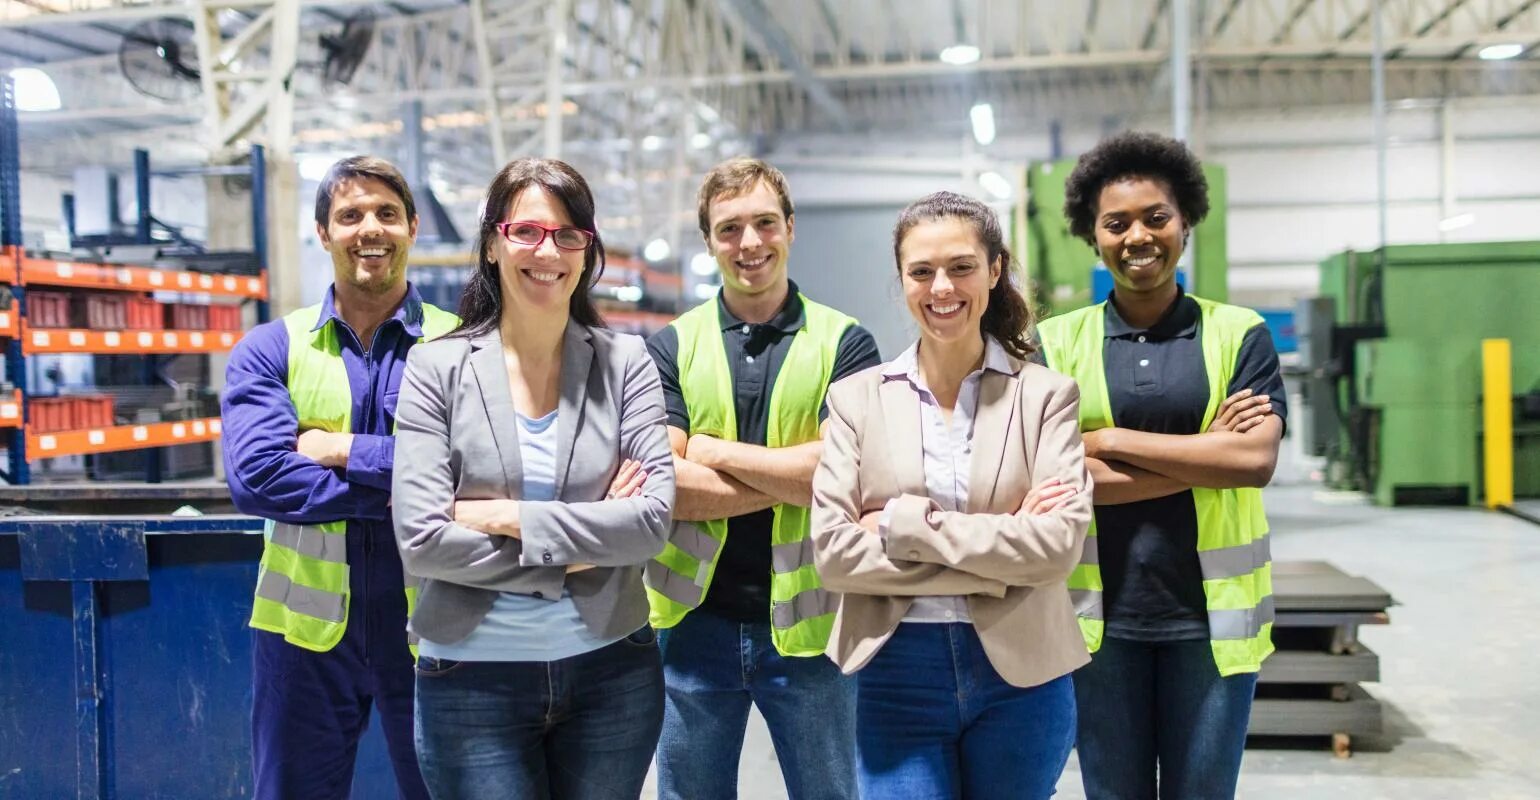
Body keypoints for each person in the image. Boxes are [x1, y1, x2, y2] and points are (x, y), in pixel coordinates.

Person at [390, 157, 675, 799]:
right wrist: (578, 551)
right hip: (471, 681)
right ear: (492, 243)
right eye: (526, 232)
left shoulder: (625, 363)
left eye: (567, 235)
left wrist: (505, 518)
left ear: (585, 252)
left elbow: (650, 523)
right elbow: (422, 538)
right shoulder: (437, 369)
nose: (547, 251)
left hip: (611, 673)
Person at [809, 191, 1093, 800]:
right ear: (902, 279)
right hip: (896, 668)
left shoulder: (1047, 397)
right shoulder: (856, 400)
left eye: (962, 266)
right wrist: (999, 558)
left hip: (1023, 674)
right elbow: (833, 553)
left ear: (994, 270)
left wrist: (904, 525)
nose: (942, 287)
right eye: (922, 271)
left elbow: (1057, 548)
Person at [1036, 130, 1286, 800]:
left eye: (1156, 217)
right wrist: (1208, 453)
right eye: (1116, 224)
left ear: (1186, 224)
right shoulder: (1056, 344)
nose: (1138, 236)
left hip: (1212, 623)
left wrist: (1109, 440)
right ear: (1094, 237)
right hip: (1096, 620)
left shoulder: (1240, 333)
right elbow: (1053, 480)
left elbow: (1255, 460)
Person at [644, 157, 881, 800]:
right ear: (710, 240)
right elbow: (666, 488)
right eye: (729, 229)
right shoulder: (671, 345)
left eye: (764, 223)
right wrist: (796, 473)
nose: (749, 243)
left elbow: (842, 476)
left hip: (811, 634)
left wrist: (711, 449)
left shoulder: (847, 343)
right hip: (690, 629)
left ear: (790, 228)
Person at [222, 155, 458, 800]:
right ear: (323, 233)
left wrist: (340, 449)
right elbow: (259, 479)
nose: (369, 229)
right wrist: (415, 480)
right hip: (303, 640)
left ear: (412, 226)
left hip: (439, 628)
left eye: (386, 213)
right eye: (349, 215)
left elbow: (483, 471)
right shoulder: (273, 347)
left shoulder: (463, 345)